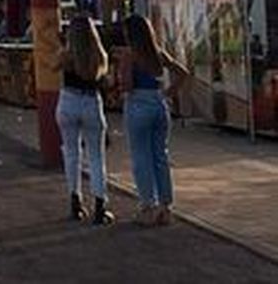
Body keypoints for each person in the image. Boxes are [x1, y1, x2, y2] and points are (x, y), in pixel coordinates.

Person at [119, 14, 190, 227]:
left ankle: (147, 207)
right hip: (159, 104)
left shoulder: (130, 55)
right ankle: (166, 207)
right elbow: (182, 73)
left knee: (141, 157)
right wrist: (168, 92)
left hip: (137, 104)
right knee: (160, 156)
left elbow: (127, 86)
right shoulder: (158, 53)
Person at [57, 15, 113, 226]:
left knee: (71, 153)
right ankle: (100, 205)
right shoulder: (98, 56)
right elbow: (103, 81)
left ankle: (75, 200)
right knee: (96, 157)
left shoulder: (66, 56)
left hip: (68, 101)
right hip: (90, 102)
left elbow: (52, 66)